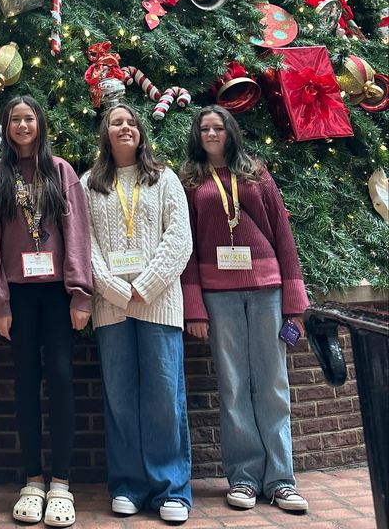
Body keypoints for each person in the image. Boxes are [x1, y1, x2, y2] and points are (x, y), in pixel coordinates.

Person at [179, 104, 309, 514]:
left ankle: (282, 480)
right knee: (233, 386)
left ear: (231, 132)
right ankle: (245, 478)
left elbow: (283, 236)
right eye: (205, 129)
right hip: (219, 294)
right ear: (197, 136)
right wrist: (194, 305)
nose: (212, 134)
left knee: (272, 383)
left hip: (267, 288)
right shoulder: (190, 181)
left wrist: (294, 301)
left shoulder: (256, 173)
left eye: (219, 127)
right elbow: (188, 248)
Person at [0, 96, 93, 528]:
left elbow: (77, 234)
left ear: (40, 124)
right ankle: (32, 480)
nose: (23, 126)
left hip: (59, 295)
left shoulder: (61, 171)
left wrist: (81, 294)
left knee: (62, 378)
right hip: (18, 298)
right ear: (7, 128)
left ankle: (61, 484)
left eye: (29, 118)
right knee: (25, 381)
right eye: (15, 120)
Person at [82, 103, 193, 524]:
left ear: (140, 132)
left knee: (165, 397)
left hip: (158, 302)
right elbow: (83, 244)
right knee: (120, 397)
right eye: (116, 123)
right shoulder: (87, 182)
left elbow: (179, 238)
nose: (124, 127)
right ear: (105, 133)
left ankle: (172, 490)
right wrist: (112, 287)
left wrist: (145, 286)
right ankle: (127, 484)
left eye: (130, 122)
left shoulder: (164, 178)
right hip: (110, 306)